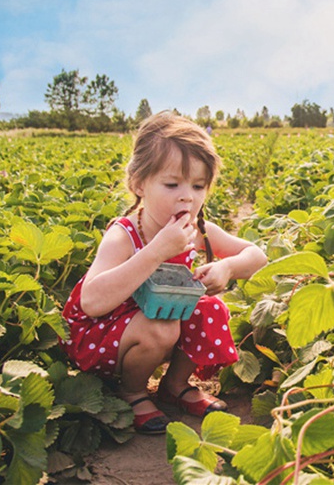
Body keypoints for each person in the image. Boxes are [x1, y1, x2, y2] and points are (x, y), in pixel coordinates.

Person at [60, 111, 267, 434]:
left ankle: (174, 385)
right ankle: (132, 392)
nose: (187, 196)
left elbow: (258, 257)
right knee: (163, 324)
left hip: (155, 321)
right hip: (103, 333)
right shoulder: (124, 234)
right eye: (172, 184)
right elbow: (92, 302)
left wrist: (227, 267)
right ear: (139, 184)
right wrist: (156, 251)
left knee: (211, 308)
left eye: (198, 186)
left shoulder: (196, 231)